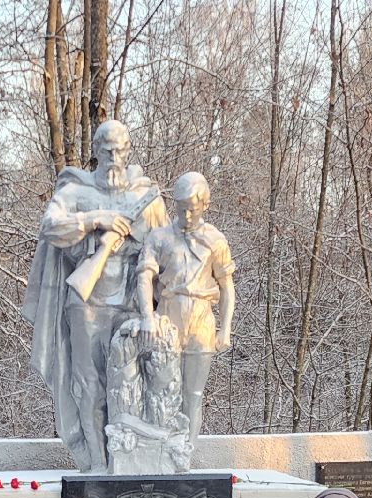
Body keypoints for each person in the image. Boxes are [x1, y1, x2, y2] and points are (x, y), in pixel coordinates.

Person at [23, 120, 170, 471]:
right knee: (89, 388)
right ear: (95, 150)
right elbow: (50, 226)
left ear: (129, 150)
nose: (113, 157)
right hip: (87, 303)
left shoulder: (146, 197)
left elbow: (166, 251)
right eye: (106, 150)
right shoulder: (76, 191)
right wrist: (96, 220)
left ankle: (128, 463)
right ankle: (97, 465)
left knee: (132, 388)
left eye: (119, 150)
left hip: (133, 304)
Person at [136, 171, 236, 438]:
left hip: (201, 320)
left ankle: (186, 452)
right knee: (162, 391)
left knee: (193, 394)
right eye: (181, 209)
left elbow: (227, 287)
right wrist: (147, 316)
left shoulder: (215, 240)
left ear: (205, 205)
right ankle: (162, 449)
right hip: (167, 317)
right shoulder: (159, 237)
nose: (187, 215)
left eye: (192, 209)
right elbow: (144, 277)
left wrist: (225, 329)